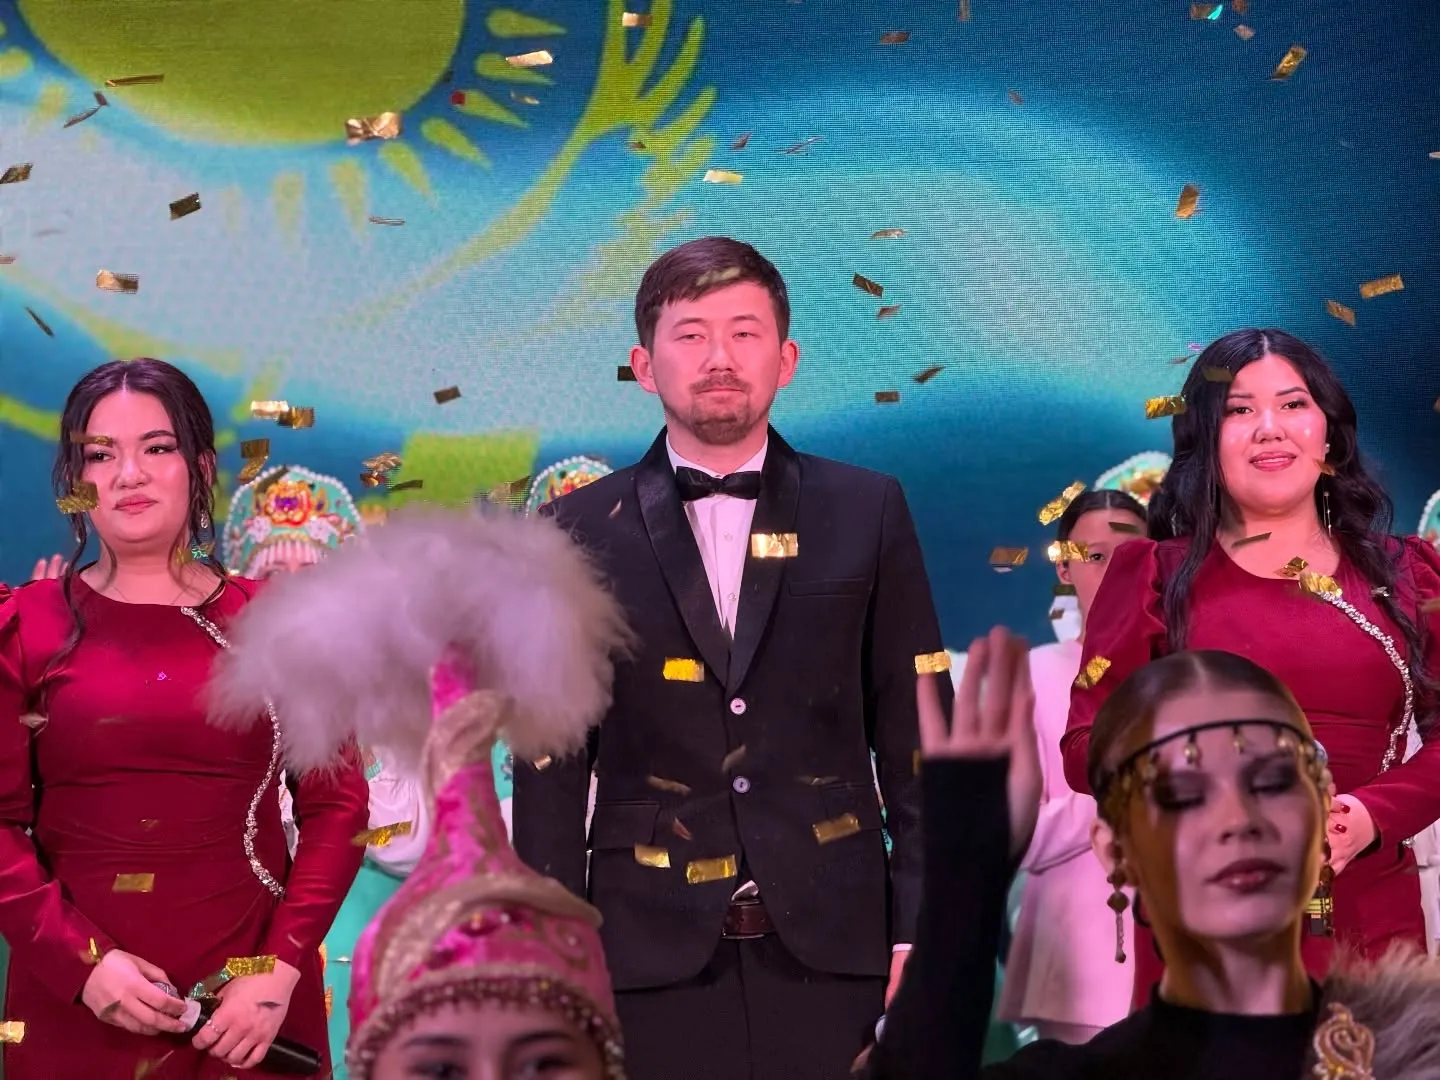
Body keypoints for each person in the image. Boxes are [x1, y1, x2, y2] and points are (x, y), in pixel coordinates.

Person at [512, 236, 951, 1080]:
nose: (720, 358)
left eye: (745, 333)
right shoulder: (572, 529)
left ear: (786, 359)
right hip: (640, 958)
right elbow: (551, 771)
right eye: (691, 334)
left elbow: (921, 743)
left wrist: (921, 934)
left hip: (839, 949)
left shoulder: (867, 509)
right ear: (644, 366)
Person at [0, 357, 369, 1077]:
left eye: (157, 447)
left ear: (200, 467)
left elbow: (338, 806)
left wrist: (278, 971)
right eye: (100, 455)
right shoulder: (25, 627)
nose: (128, 474)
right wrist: (82, 966)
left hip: (250, 1009)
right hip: (77, 1004)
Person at [1062, 328, 1440, 1004]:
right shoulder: (1151, 577)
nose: (1270, 428)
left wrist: (1369, 814)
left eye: (1293, 404)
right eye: (1239, 410)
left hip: (1369, 919)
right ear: (1206, 439)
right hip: (1206, 919)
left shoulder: (1408, 573)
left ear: (1330, 433)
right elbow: (1086, 743)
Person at [869, 636, 1440, 1079]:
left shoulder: (1412, 1048)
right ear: (1116, 849)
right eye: (1184, 794)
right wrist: (965, 879)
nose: (1239, 819)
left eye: (1272, 781)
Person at [200, 502, 634, 1080]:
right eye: (273, 575)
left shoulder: (478, 709)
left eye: (311, 572)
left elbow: (431, 833)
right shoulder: (247, 715)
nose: (291, 592)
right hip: (316, 956)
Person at [221, 463, 430, 1076]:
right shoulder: (215, 701)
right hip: (244, 963)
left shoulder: (393, 694)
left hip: (373, 960)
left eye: (311, 573)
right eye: (269, 575)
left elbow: (414, 839)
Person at [996, 490, 1145, 1042]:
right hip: (1074, 963)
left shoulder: (1192, 672)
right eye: (1095, 556)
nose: (1114, 572)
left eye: (1132, 555)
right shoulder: (1031, 675)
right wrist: (1125, 795)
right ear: (1064, 567)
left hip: (1192, 950)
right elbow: (1017, 835)